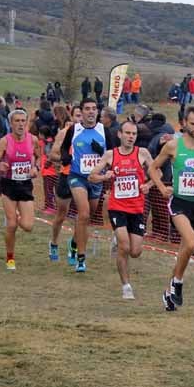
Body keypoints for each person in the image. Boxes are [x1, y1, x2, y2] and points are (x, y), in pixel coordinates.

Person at [149, 106, 194, 311]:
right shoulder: (172, 146)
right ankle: (177, 283)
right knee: (191, 244)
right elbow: (153, 168)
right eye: (193, 124)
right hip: (179, 201)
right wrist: (162, 187)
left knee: (184, 252)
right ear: (183, 124)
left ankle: (168, 293)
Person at [88, 120, 155, 299]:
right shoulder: (110, 155)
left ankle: (118, 240)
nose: (131, 137)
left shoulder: (143, 153)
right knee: (125, 247)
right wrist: (105, 177)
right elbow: (92, 176)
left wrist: (149, 184)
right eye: (127, 133)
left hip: (137, 208)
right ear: (120, 134)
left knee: (135, 252)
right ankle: (126, 286)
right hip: (117, 207)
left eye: (134, 134)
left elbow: (158, 173)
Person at [60, 97, 106, 273]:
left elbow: (114, 153)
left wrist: (101, 151)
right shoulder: (74, 129)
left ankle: (73, 242)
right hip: (77, 176)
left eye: (94, 108)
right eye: (87, 108)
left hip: (96, 180)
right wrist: (65, 157)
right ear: (82, 112)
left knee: (87, 217)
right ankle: (81, 258)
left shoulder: (104, 131)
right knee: (84, 213)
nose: (91, 111)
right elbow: (64, 148)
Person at [0, 109, 38, 270]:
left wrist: (35, 167)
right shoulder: (4, 141)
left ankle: (16, 215)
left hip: (25, 186)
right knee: (11, 225)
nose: (20, 124)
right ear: (11, 124)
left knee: (28, 226)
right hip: (8, 185)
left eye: (23, 121)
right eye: (17, 121)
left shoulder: (33, 140)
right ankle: (10, 257)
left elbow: (38, 156)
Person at [48, 105, 83, 263]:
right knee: (61, 215)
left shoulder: (94, 133)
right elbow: (53, 154)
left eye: (82, 115)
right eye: (77, 115)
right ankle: (54, 242)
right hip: (67, 176)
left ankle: (74, 246)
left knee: (82, 216)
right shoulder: (65, 133)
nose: (80, 119)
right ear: (72, 116)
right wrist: (65, 158)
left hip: (84, 179)